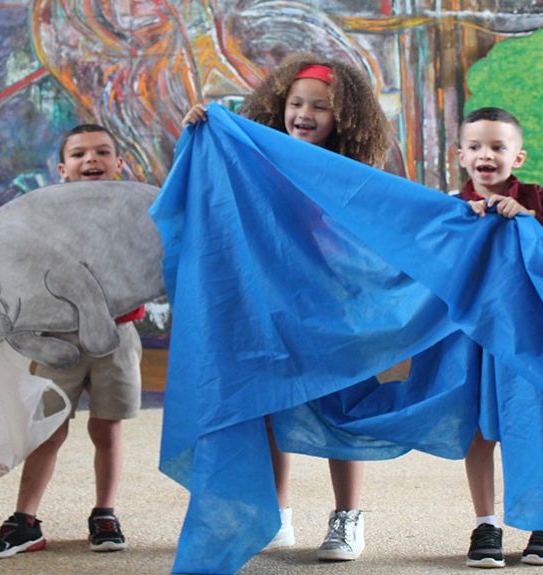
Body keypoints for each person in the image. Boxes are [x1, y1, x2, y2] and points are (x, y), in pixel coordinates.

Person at [182, 52, 390, 562]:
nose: (304, 113)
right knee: (270, 404)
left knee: (341, 406)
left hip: (335, 307)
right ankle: (276, 513)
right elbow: (216, 191)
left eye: (319, 107)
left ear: (345, 118)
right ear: (279, 106)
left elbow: (379, 229)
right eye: (296, 103)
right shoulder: (258, 158)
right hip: (269, 305)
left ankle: (347, 516)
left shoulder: (351, 173)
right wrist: (201, 129)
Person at [0, 124, 144, 559]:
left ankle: (105, 513)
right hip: (54, 339)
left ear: (120, 164)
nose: (91, 160)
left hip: (118, 336)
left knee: (107, 428)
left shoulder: (133, 214)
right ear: (62, 169)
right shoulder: (40, 220)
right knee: (46, 431)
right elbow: (2, 284)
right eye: (79, 154)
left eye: (103, 152)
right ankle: (25, 520)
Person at [454, 107, 543, 568]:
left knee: (534, 423)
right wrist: (463, 223)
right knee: (478, 429)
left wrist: (531, 219)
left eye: (497, 147)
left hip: (531, 337)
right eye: (475, 147)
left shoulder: (536, 197)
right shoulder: (453, 205)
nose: (485, 155)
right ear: (460, 156)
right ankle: (485, 523)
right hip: (474, 337)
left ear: (519, 156)